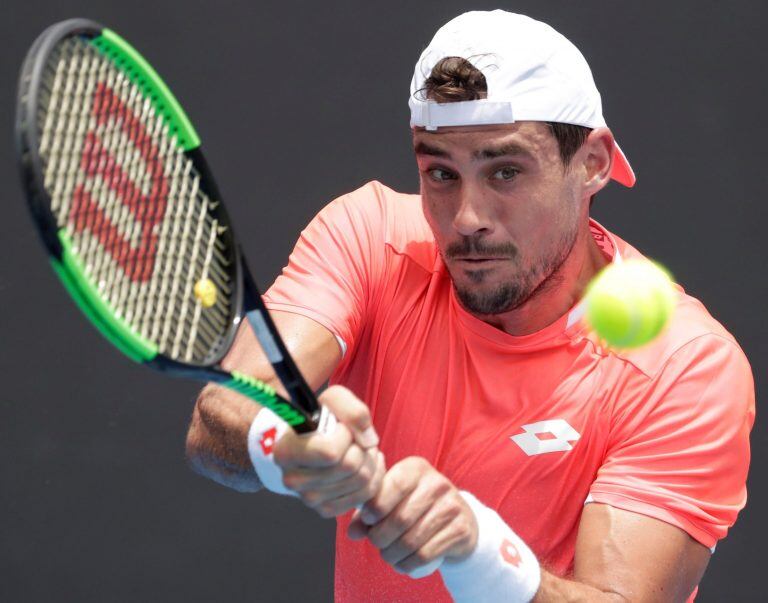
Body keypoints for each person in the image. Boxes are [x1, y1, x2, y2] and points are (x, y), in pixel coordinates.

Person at [185, 10, 754, 602]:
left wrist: (479, 551)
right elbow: (220, 415)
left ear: (591, 164)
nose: (466, 219)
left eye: (505, 171)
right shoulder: (370, 236)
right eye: (440, 172)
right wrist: (287, 445)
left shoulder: (686, 365)